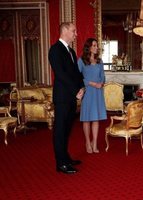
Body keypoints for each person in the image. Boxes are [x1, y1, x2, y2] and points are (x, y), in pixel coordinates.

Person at [48, 22, 85, 174]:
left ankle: (66, 157)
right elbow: (61, 75)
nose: (76, 34)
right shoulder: (55, 50)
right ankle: (61, 164)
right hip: (63, 97)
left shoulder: (71, 50)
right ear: (64, 31)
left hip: (71, 96)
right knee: (60, 131)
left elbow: (75, 72)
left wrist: (82, 87)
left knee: (67, 130)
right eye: (73, 31)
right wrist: (75, 90)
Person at [78, 38, 107, 153]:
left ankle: (94, 143)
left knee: (96, 119)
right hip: (88, 91)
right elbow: (78, 77)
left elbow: (103, 76)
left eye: (96, 45)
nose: (96, 47)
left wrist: (101, 82)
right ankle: (87, 142)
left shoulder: (99, 61)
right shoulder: (81, 61)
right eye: (94, 45)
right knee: (87, 119)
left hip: (98, 93)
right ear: (88, 47)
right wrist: (92, 83)